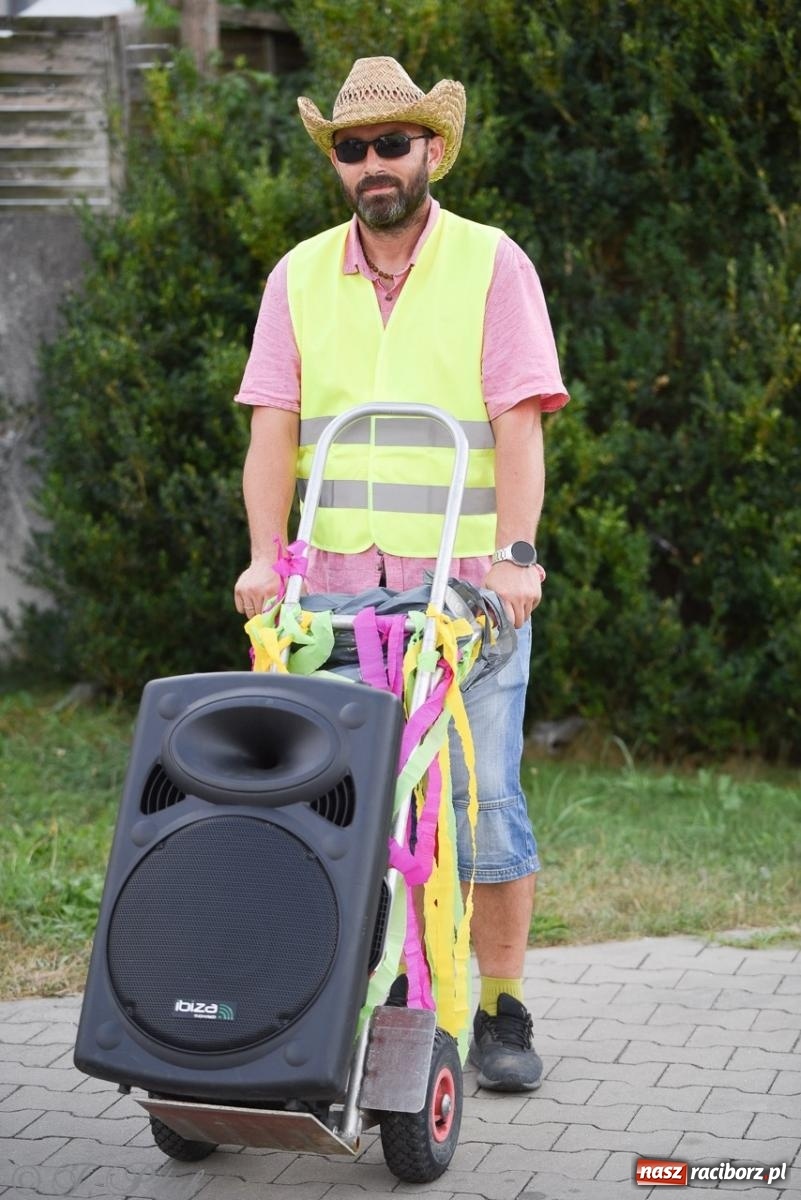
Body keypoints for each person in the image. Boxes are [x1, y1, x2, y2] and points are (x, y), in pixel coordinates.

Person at [233, 56, 568, 1092]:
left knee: (482, 803)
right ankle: (353, 999)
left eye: (391, 143)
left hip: (466, 594)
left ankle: (500, 1007)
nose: (372, 163)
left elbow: (519, 423)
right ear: (335, 161)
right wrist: (263, 559)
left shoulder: (491, 263)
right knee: (336, 807)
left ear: (431, 149)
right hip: (335, 594)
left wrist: (517, 557)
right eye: (352, 147)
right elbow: (273, 431)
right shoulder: (296, 276)